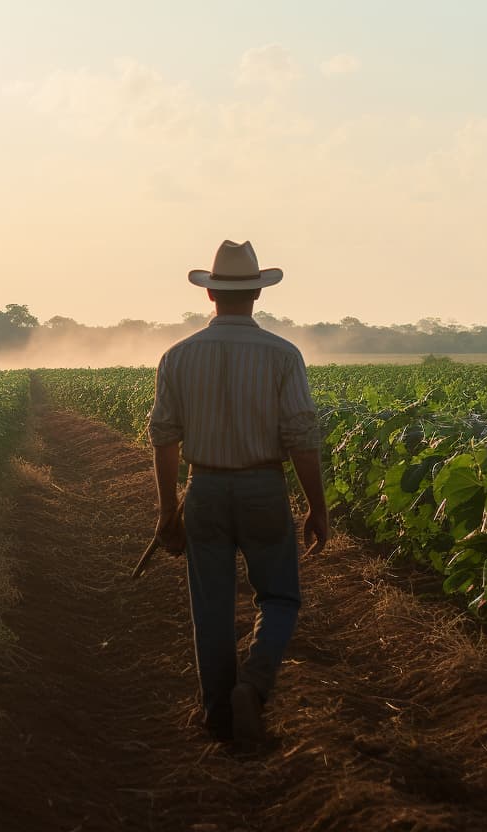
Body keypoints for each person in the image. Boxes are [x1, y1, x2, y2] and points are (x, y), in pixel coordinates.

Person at [147, 239, 328, 745]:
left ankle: (217, 712)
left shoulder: (177, 357)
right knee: (279, 597)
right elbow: (301, 437)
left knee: (211, 604)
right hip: (263, 488)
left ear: (210, 296)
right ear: (257, 295)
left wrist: (167, 511)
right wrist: (317, 506)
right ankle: (253, 683)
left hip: (202, 489)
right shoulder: (283, 355)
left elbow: (164, 437)